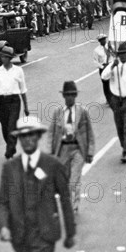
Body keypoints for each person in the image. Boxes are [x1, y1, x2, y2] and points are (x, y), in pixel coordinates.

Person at [0, 116, 75, 252]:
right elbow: (1, 202)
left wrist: (70, 232)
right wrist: (3, 226)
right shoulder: (9, 168)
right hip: (20, 236)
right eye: (23, 136)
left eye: (31, 135)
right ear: (19, 140)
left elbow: (65, 199)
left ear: (38, 137)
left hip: (44, 235)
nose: (27, 140)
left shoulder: (53, 165)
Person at [48, 81, 95, 213]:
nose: (70, 98)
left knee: (74, 178)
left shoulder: (82, 112)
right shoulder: (58, 112)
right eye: (67, 95)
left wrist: (90, 151)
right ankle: (67, 201)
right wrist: (50, 153)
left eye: (72, 95)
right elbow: (51, 133)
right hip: (63, 149)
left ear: (75, 96)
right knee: (64, 178)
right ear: (63, 96)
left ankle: (73, 206)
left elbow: (89, 133)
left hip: (77, 149)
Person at [0, 44, 29, 159]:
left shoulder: (18, 71)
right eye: (1, 57)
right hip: (1, 101)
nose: (3, 59)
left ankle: (9, 150)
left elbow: (23, 89)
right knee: (5, 127)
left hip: (14, 101)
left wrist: (26, 107)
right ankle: (11, 146)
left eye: (5, 57)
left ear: (10, 58)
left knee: (12, 125)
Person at [92, 33, 112, 104]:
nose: (104, 41)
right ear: (99, 41)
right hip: (103, 67)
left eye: (104, 39)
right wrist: (102, 67)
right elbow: (95, 61)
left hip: (110, 66)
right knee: (106, 84)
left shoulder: (110, 46)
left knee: (112, 83)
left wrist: (111, 49)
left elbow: (115, 55)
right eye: (102, 40)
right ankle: (108, 99)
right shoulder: (96, 50)